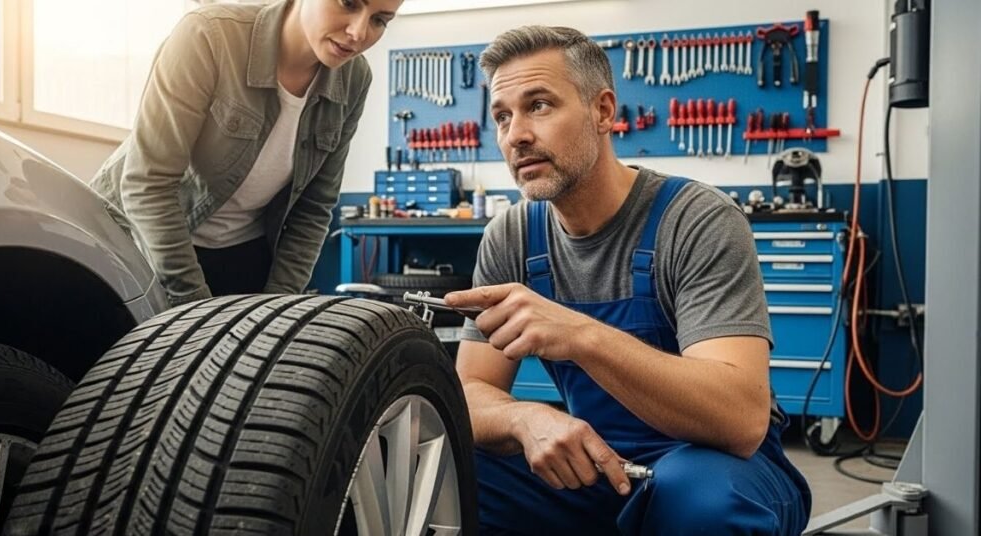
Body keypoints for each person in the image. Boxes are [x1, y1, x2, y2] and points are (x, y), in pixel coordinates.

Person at [444, 25, 812, 535]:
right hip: (597, 465)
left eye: (540, 105)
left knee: (698, 500)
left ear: (603, 111)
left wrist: (580, 335)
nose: (516, 135)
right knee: (452, 471)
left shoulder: (697, 219)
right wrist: (525, 418)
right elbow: (471, 390)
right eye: (502, 116)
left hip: (722, 466)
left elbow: (741, 420)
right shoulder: (512, 236)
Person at [92, 0, 401, 305]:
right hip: (139, 240)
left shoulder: (355, 79)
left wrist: (276, 307)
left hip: (242, 251)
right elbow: (148, 186)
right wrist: (192, 309)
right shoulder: (208, 35)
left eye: (380, 21)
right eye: (348, 3)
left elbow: (314, 208)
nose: (359, 32)